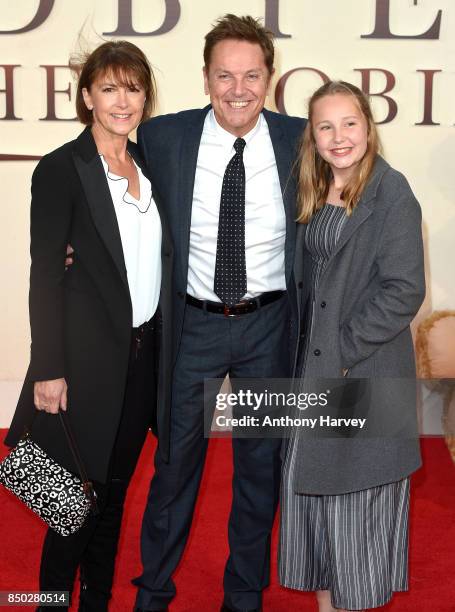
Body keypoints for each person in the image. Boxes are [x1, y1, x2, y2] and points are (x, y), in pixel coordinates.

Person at [133, 14, 305, 612]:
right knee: (175, 467)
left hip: (270, 328)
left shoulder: (301, 139)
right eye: (225, 75)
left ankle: (244, 595)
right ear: (205, 78)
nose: (239, 89)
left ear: (269, 77)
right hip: (193, 326)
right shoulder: (163, 138)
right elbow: (112, 185)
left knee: (260, 471)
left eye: (251, 75)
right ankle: (152, 592)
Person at [5, 40, 173, 611]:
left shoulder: (152, 165)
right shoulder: (61, 169)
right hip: (81, 365)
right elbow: (45, 274)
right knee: (73, 504)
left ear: (145, 96)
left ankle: (97, 603)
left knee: (114, 498)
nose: (121, 100)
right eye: (109, 88)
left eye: (132, 88)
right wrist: (48, 369)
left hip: (143, 360)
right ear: (87, 96)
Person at [279, 81, 425, 611]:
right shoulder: (314, 190)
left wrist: (342, 350)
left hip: (363, 373)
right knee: (317, 510)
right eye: (325, 126)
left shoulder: (391, 193)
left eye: (349, 123)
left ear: (367, 127)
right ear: (312, 137)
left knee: (356, 508)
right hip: (311, 375)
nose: (339, 136)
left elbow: (404, 289)